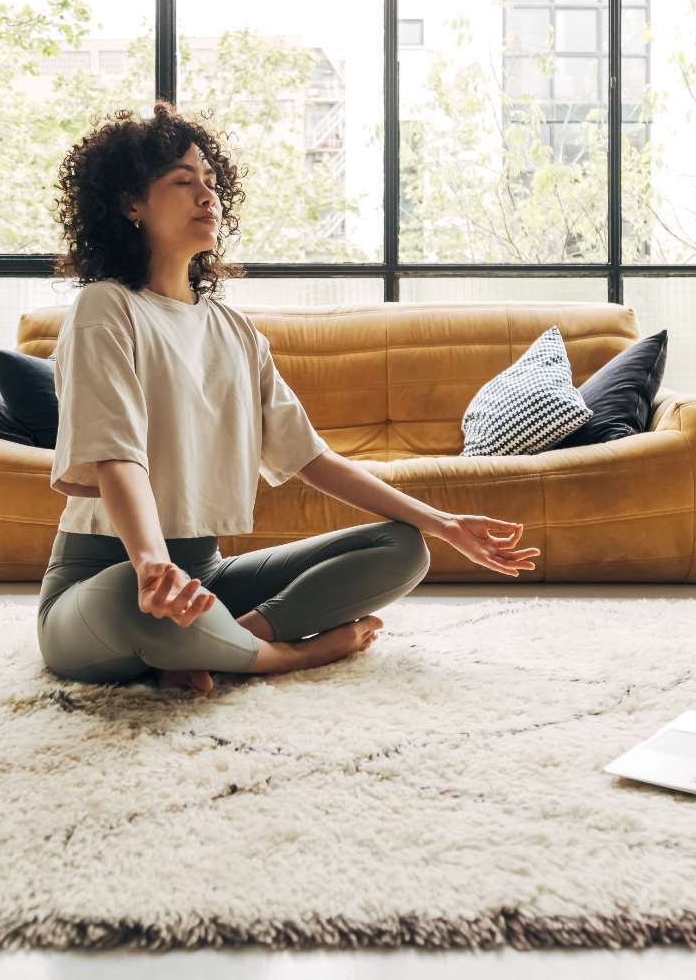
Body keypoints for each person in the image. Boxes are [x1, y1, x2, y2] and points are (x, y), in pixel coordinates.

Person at [35, 103, 540, 694]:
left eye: (212, 183)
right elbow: (118, 456)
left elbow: (312, 459)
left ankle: (228, 639)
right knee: (132, 599)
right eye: (182, 181)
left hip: (205, 575)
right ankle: (284, 657)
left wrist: (443, 521)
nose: (208, 196)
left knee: (403, 547)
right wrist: (150, 563)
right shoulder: (106, 307)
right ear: (130, 204)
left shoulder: (236, 332)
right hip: (104, 578)